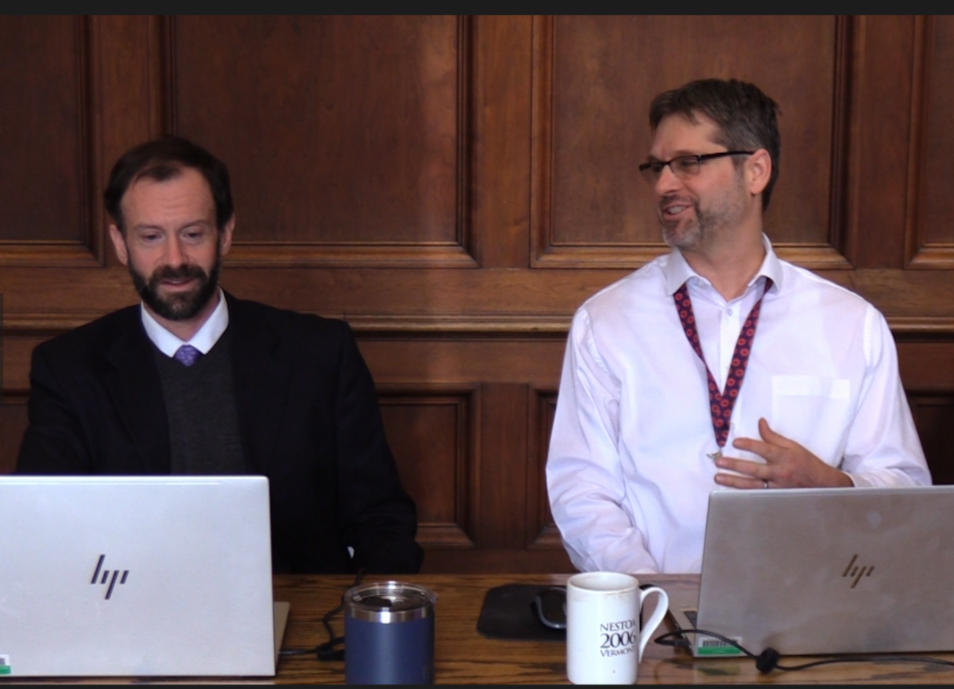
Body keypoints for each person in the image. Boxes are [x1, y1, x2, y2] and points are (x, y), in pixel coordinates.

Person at [545, 78, 932, 575]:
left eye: (688, 163)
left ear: (756, 170)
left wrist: (829, 483)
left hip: (810, 622)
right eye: (656, 167)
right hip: (655, 623)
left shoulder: (852, 325)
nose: (664, 185)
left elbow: (904, 488)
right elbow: (583, 489)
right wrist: (652, 599)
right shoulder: (606, 323)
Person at [16, 135, 424, 575]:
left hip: (299, 622)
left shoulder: (321, 354)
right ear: (120, 243)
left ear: (225, 234)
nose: (175, 259)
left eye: (193, 234)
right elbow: (47, 533)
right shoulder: (67, 369)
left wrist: (362, 631)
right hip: (136, 626)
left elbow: (382, 524)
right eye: (151, 237)